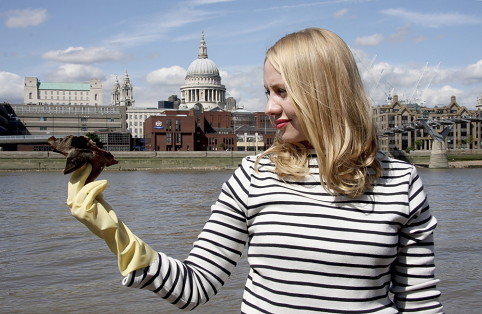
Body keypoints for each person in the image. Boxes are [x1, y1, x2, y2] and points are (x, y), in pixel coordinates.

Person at [68, 28, 443, 313]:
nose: (268, 107)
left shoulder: (401, 183)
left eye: (281, 91)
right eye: (267, 91)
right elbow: (195, 285)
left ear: (324, 91)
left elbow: (421, 305)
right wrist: (115, 234)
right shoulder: (254, 176)